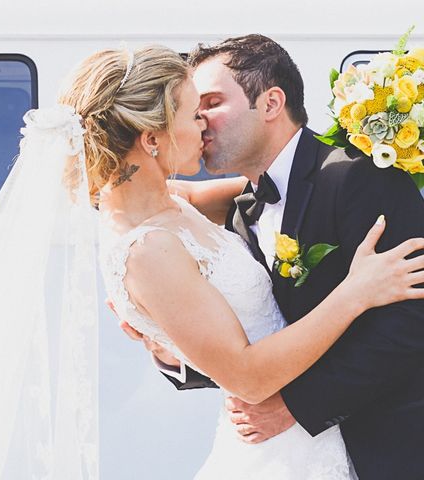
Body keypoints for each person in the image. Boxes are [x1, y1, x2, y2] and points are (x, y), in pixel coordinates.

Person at [0, 44, 424, 479]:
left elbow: (273, 185)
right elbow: (246, 374)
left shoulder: (178, 203)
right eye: (190, 110)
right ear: (152, 139)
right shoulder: (144, 247)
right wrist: (356, 292)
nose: (201, 123)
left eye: (210, 106)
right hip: (273, 444)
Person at [123, 35, 424, 479]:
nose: (199, 120)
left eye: (211, 102)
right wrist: (176, 354)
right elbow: (268, 332)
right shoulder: (243, 207)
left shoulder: (357, 176)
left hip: (385, 451)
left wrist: (295, 407)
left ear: (270, 103)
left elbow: (410, 324)